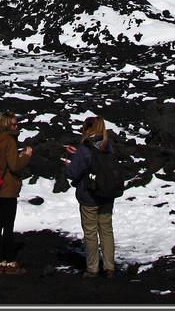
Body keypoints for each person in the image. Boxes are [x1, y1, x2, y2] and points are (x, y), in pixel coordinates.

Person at [63, 116, 116, 278]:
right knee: (106, 230)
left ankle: (93, 268)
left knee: (91, 232)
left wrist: (69, 164)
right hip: (107, 194)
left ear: (87, 130)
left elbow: (73, 173)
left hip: (89, 197)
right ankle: (109, 267)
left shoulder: (85, 149)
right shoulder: (108, 146)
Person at [0, 112, 33, 274]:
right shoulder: (9, 141)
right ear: (7, 125)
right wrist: (26, 157)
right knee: (8, 226)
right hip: (7, 189)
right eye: (14, 124)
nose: (16, 126)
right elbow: (14, 166)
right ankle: (11, 262)